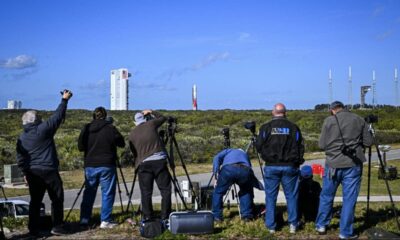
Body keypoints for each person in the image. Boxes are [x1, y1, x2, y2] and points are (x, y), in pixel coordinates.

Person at [16, 90, 73, 236]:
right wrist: (64, 100)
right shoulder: (43, 130)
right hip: (48, 170)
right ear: (35, 120)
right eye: (39, 118)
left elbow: (20, 158)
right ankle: (57, 226)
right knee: (57, 198)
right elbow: (57, 116)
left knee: (35, 201)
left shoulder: (21, 138)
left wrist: (24, 173)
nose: (41, 119)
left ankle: (33, 229)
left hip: (32, 172)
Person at [315, 101, 372, 239]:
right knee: (349, 199)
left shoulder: (329, 121)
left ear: (332, 110)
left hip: (333, 164)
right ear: (344, 108)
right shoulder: (359, 119)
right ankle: (345, 232)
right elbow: (368, 142)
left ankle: (321, 225)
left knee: (327, 196)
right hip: (353, 164)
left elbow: (321, 144)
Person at [255, 103, 304, 234]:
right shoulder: (294, 127)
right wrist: (298, 162)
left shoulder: (266, 128)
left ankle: (271, 226)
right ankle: (293, 224)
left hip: (271, 166)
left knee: (270, 197)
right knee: (291, 196)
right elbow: (301, 146)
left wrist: (265, 154)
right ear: (285, 112)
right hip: (290, 167)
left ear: (273, 112)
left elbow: (258, 146)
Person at [77, 107, 125, 229]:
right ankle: (105, 220)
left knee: (89, 192)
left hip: (90, 164)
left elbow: (81, 147)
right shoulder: (110, 128)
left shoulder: (86, 128)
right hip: (107, 164)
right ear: (105, 116)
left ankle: (84, 219)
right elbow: (121, 143)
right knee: (107, 193)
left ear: (94, 116)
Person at [128, 110, 171, 222]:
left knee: (146, 192)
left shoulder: (132, 134)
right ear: (145, 118)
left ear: (135, 122)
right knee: (165, 190)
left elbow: (133, 151)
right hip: (159, 161)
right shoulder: (151, 124)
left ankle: (148, 217)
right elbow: (162, 117)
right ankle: (165, 216)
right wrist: (152, 111)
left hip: (143, 164)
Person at [212, 148, 263, 222]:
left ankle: (217, 217)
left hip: (228, 169)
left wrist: (216, 174)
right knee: (246, 191)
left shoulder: (229, 150)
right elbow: (250, 170)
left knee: (218, 192)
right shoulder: (245, 154)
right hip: (245, 170)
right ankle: (247, 216)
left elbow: (216, 158)